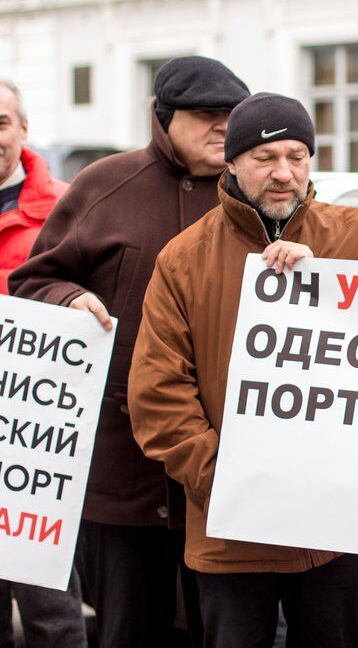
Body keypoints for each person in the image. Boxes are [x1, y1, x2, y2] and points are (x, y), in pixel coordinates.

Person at [127, 92, 358, 647]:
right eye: (265, 158)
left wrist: (329, 286)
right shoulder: (183, 259)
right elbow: (158, 395)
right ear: (230, 161)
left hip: (333, 527)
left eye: (297, 157)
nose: (284, 173)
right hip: (232, 531)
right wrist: (229, 478)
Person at [9, 56, 250, 647]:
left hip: (227, 467)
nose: (222, 128)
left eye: (231, 116)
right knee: (127, 628)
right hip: (121, 466)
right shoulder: (105, 184)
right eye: (205, 116)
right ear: (164, 120)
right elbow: (33, 280)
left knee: (226, 630)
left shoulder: (261, 193)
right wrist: (68, 298)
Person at [0, 80, 86, 648]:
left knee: (50, 609)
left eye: (1, 122)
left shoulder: (65, 208)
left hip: (37, 440)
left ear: (24, 129)